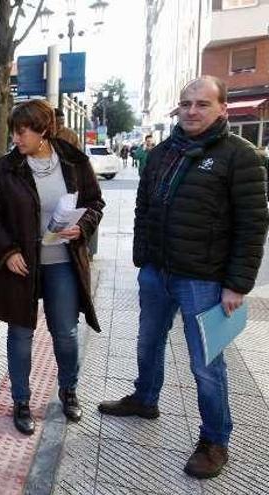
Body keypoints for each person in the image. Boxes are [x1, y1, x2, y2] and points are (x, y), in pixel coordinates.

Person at [98, 76, 269, 479]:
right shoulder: (162, 153)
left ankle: (214, 440)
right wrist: (143, 258)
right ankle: (145, 398)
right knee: (146, 342)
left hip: (205, 280)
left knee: (206, 363)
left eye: (202, 104)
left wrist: (237, 285)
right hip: (158, 271)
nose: (192, 111)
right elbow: (143, 206)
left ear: (222, 109)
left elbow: (253, 225)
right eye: (186, 103)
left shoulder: (239, 156)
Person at [0, 99, 105, 435]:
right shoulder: (6, 168)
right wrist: (7, 252)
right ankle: (21, 400)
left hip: (62, 261)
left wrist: (83, 226)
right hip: (22, 266)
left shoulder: (73, 161)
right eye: (13, 132)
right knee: (20, 334)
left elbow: (95, 202)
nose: (16, 139)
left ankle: (68, 390)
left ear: (43, 130)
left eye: (23, 132)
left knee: (64, 333)